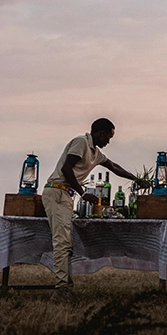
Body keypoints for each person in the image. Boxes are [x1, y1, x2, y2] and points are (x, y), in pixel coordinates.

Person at [41, 118, 147, 302]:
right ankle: (60, 290)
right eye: (108, 136)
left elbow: (114, 167)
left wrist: (137, 179)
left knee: (66, 244)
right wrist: (82, 193)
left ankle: (66, 287)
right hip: (56, 193)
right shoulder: (82, 142)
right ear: (100, 132)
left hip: (66, 196)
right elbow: (67, 169)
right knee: (61, 242)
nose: (108, 141)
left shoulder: (96, 153)